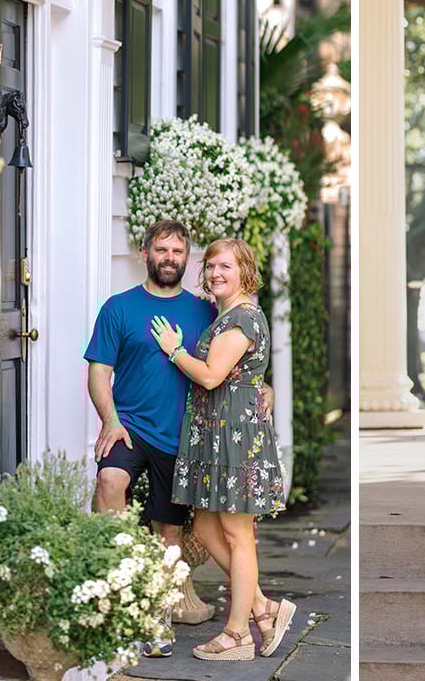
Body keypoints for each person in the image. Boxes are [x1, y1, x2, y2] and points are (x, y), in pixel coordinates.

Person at [83, 220, 272, 658]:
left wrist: (267, 388)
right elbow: (98, 370)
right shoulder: (118, 308)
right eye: (161, 250)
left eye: (178, 252)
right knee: (110, 482)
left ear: (187, 259)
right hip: (130, 427)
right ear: (145, 253)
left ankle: (158, 618)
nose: (170, 257)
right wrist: (110, 419)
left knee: (172, 531)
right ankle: (115, 593)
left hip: (185, 440)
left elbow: (237, 364)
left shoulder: (210, 310)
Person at [152, 237, 296, 662]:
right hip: (215, 435)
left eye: (226, 267)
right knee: (206, 528)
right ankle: (263, 607)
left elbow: (213, 376)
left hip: (235, 440)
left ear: (245, 271)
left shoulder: (241, 319)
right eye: (211, 265)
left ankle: (238, 635)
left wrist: (175, 351)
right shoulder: (226, 314)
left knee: (237, 534)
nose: (216, 273)